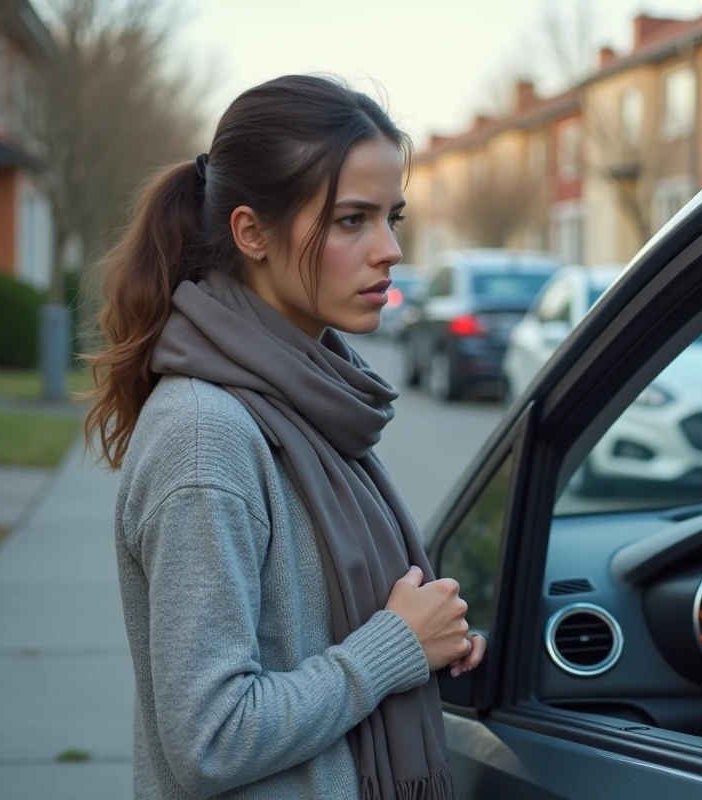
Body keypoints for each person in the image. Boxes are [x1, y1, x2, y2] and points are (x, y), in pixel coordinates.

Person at [82, 74, 485, 800]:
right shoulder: (208, 438)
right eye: (351, 221)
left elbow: (316, 636)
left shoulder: (311, 402)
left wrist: (427, 642)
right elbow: (210, 740)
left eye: (391, 217)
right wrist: (392, 647)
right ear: (250, 232)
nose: (390, 250)